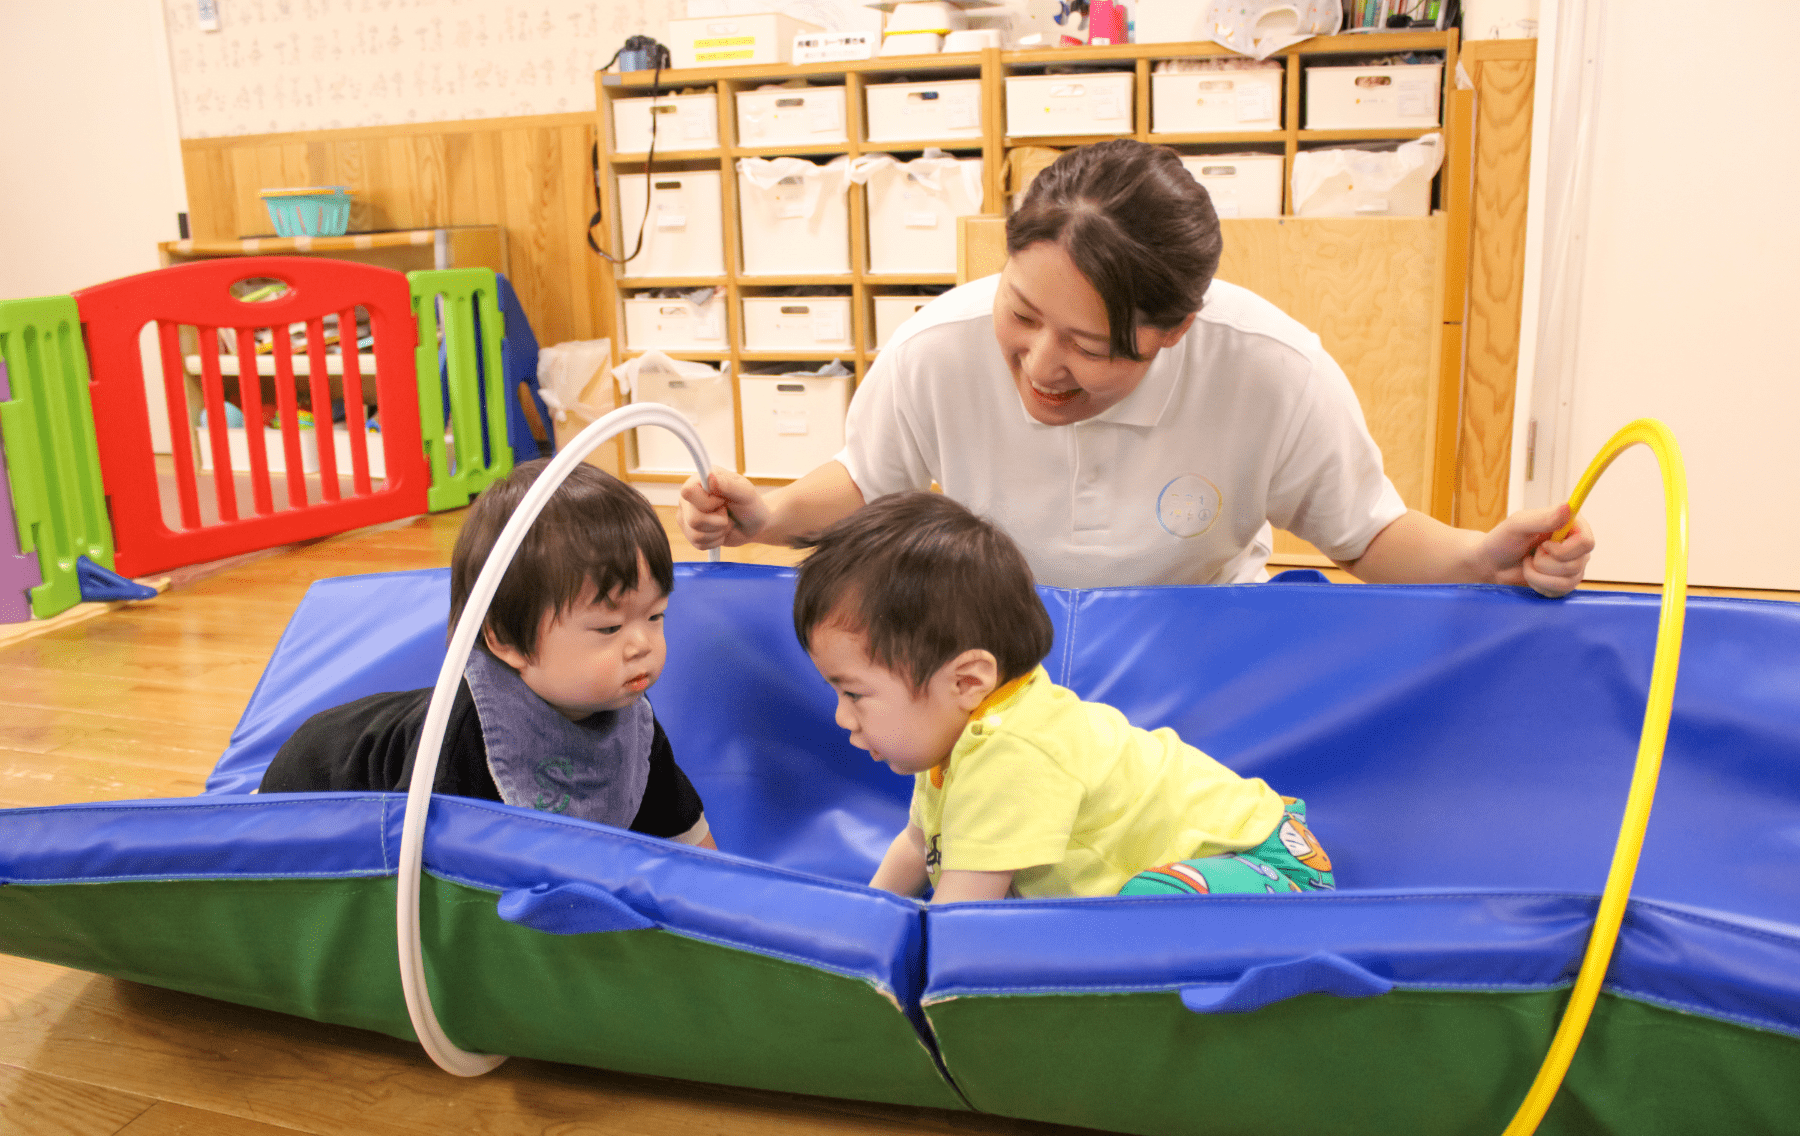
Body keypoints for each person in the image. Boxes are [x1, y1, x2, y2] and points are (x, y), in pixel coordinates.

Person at [682, 138, 1593, 596]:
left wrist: (1480, 559)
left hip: (1196, 649)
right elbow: (867, 478)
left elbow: (1365, 534)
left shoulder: (1272, 371)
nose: (1041, 366)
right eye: (1022, 314)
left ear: (1178, 329)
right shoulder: (939, 346)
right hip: (1005, 647)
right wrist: (772, 517)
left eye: (1090, 347)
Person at [794, 492, 1334, 903]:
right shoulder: (956, 728)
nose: (843, 718)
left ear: (967, 682)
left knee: (1142, 908)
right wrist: (862, 921)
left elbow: (961, 920)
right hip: (1241, 856)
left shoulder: (1014, 750)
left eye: (855, 694)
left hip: (1266, 864)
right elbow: (918, 847)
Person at [261, 460, 715, 848]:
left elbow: (684, 833)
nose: (642, 645)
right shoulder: (466, 740)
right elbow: (419, 876)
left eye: (655, 616)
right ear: (508, 641)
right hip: (310, 794)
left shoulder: (629, 714)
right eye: (609, 628)